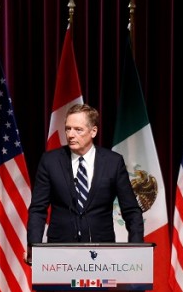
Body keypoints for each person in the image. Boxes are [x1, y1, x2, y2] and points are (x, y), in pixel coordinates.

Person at [26, 104, 144, 262]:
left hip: (101, 253)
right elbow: (38, 210)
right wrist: (34, 247)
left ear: (93, 131)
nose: (71, 135)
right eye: (68, 129)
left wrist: (136, 250)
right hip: (60, 252)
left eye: (78, 129)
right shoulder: (50, 161)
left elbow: (131, 211)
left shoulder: (113, 162)